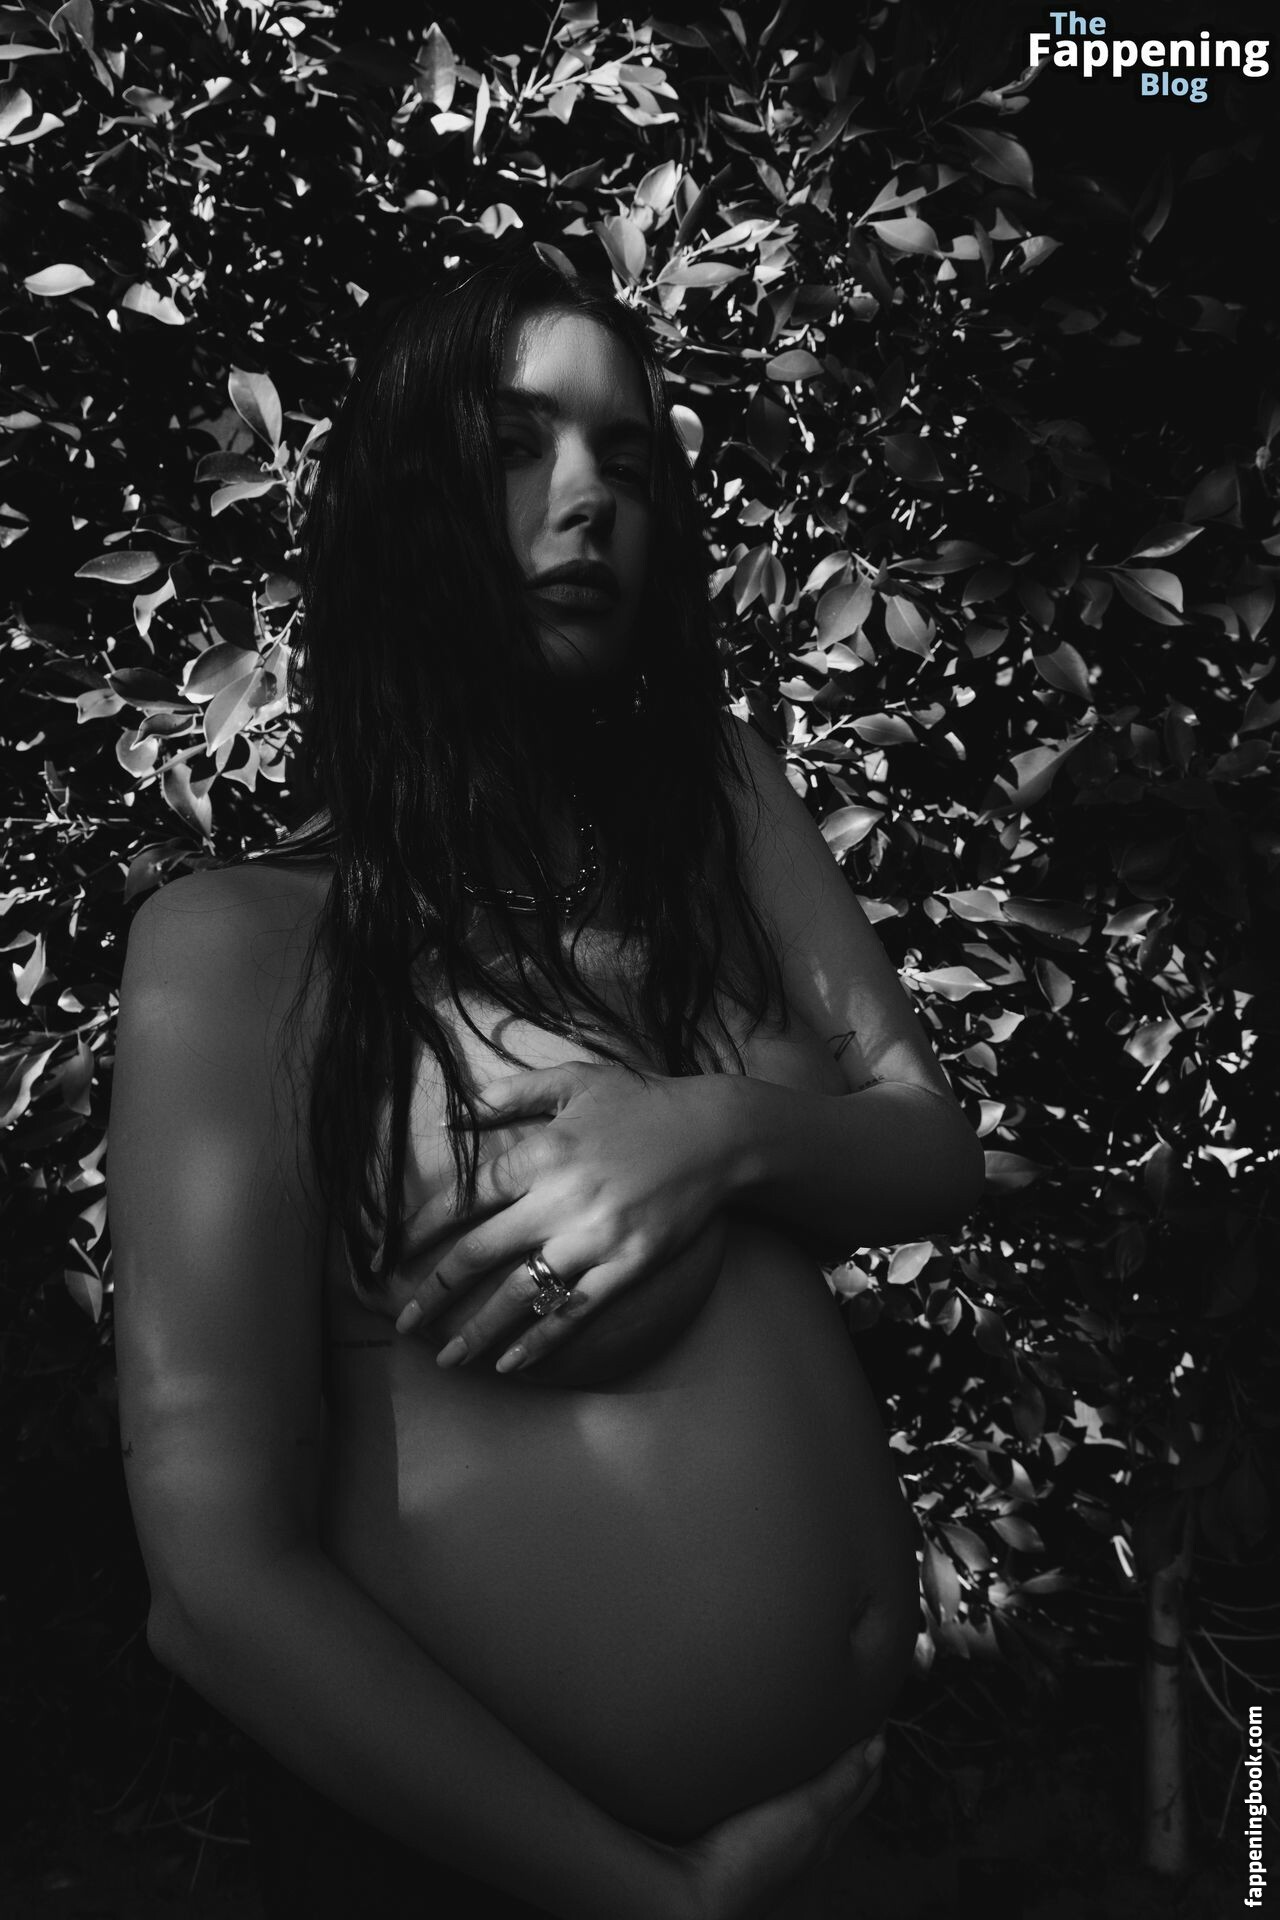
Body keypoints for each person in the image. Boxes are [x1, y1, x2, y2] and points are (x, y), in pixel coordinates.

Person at [110, 250, 985, 1919]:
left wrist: (718, 1134)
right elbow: (216, 1581)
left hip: (835, 1839)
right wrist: (653, 1897)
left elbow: (932, 1150)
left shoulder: (715, 803)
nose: (591, 501)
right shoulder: (239, 952)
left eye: (629, 461)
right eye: (517, 447)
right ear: (400, 509)